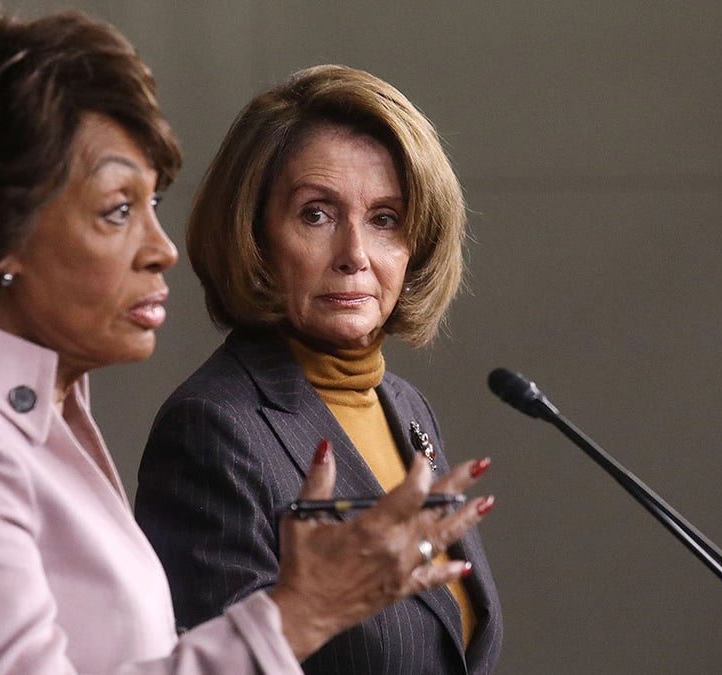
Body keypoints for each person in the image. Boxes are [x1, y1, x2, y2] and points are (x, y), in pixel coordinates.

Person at [0, 13, 494, 674]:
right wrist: (301, 613)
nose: (162, 249)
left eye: (152, 204)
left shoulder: (30, 410)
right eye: (119, 208)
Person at [134, 65, 504, 674]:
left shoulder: (405, 407)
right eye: (316, 214)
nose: (355, 255)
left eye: (385, 219)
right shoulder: (213, 428)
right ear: (253, 232)